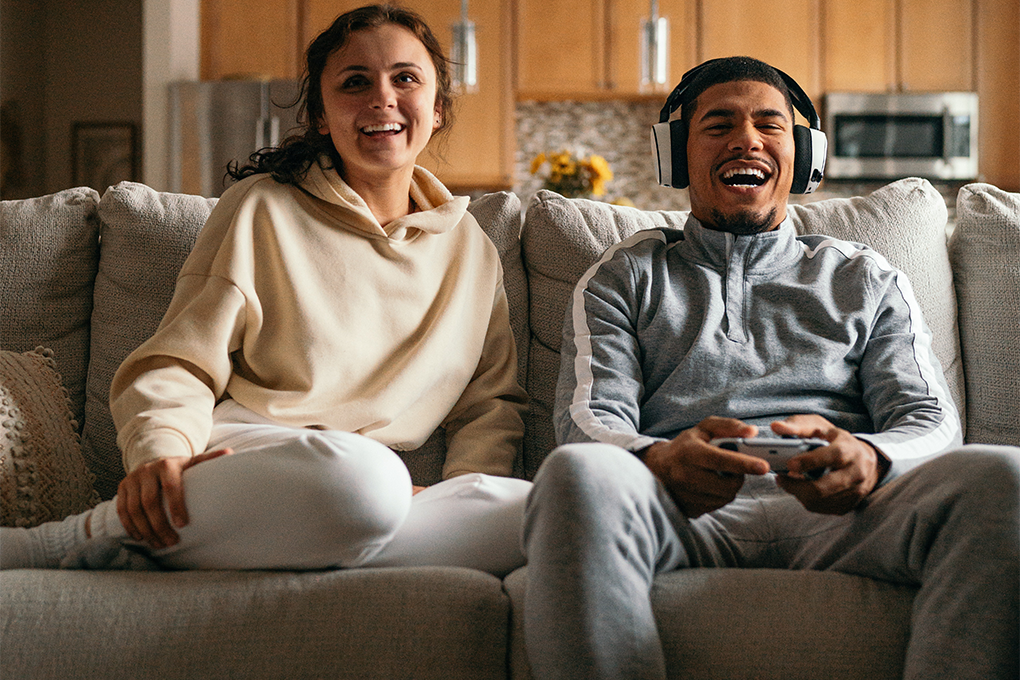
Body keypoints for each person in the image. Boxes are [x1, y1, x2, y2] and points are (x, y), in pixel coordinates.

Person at [522, 56, 1019, 680]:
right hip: (682, 507)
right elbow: (587, 421)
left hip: (848, 515)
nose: (746, 139)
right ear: (676, 154)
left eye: (768, 124)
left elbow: (931, 419)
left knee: (1006, 473)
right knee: (576, 471)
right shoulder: (625, 274)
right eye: (719, 124)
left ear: (804, 153)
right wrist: (659, 459)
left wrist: (871, 457)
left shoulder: (864, 276)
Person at [1, 4, 530, 576]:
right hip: (263, 452)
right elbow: (180, 362)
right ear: (323, 116)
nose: (382, 97)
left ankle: (279, 543)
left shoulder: (471, 247)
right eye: (355, 82)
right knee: (366, 479)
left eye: (405, 77)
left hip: (370, 495)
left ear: (438, 108)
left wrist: (461, 494)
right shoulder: (262, 209)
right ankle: (88, 536)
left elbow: (488, 405)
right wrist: (160, 454)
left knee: (543, 514)